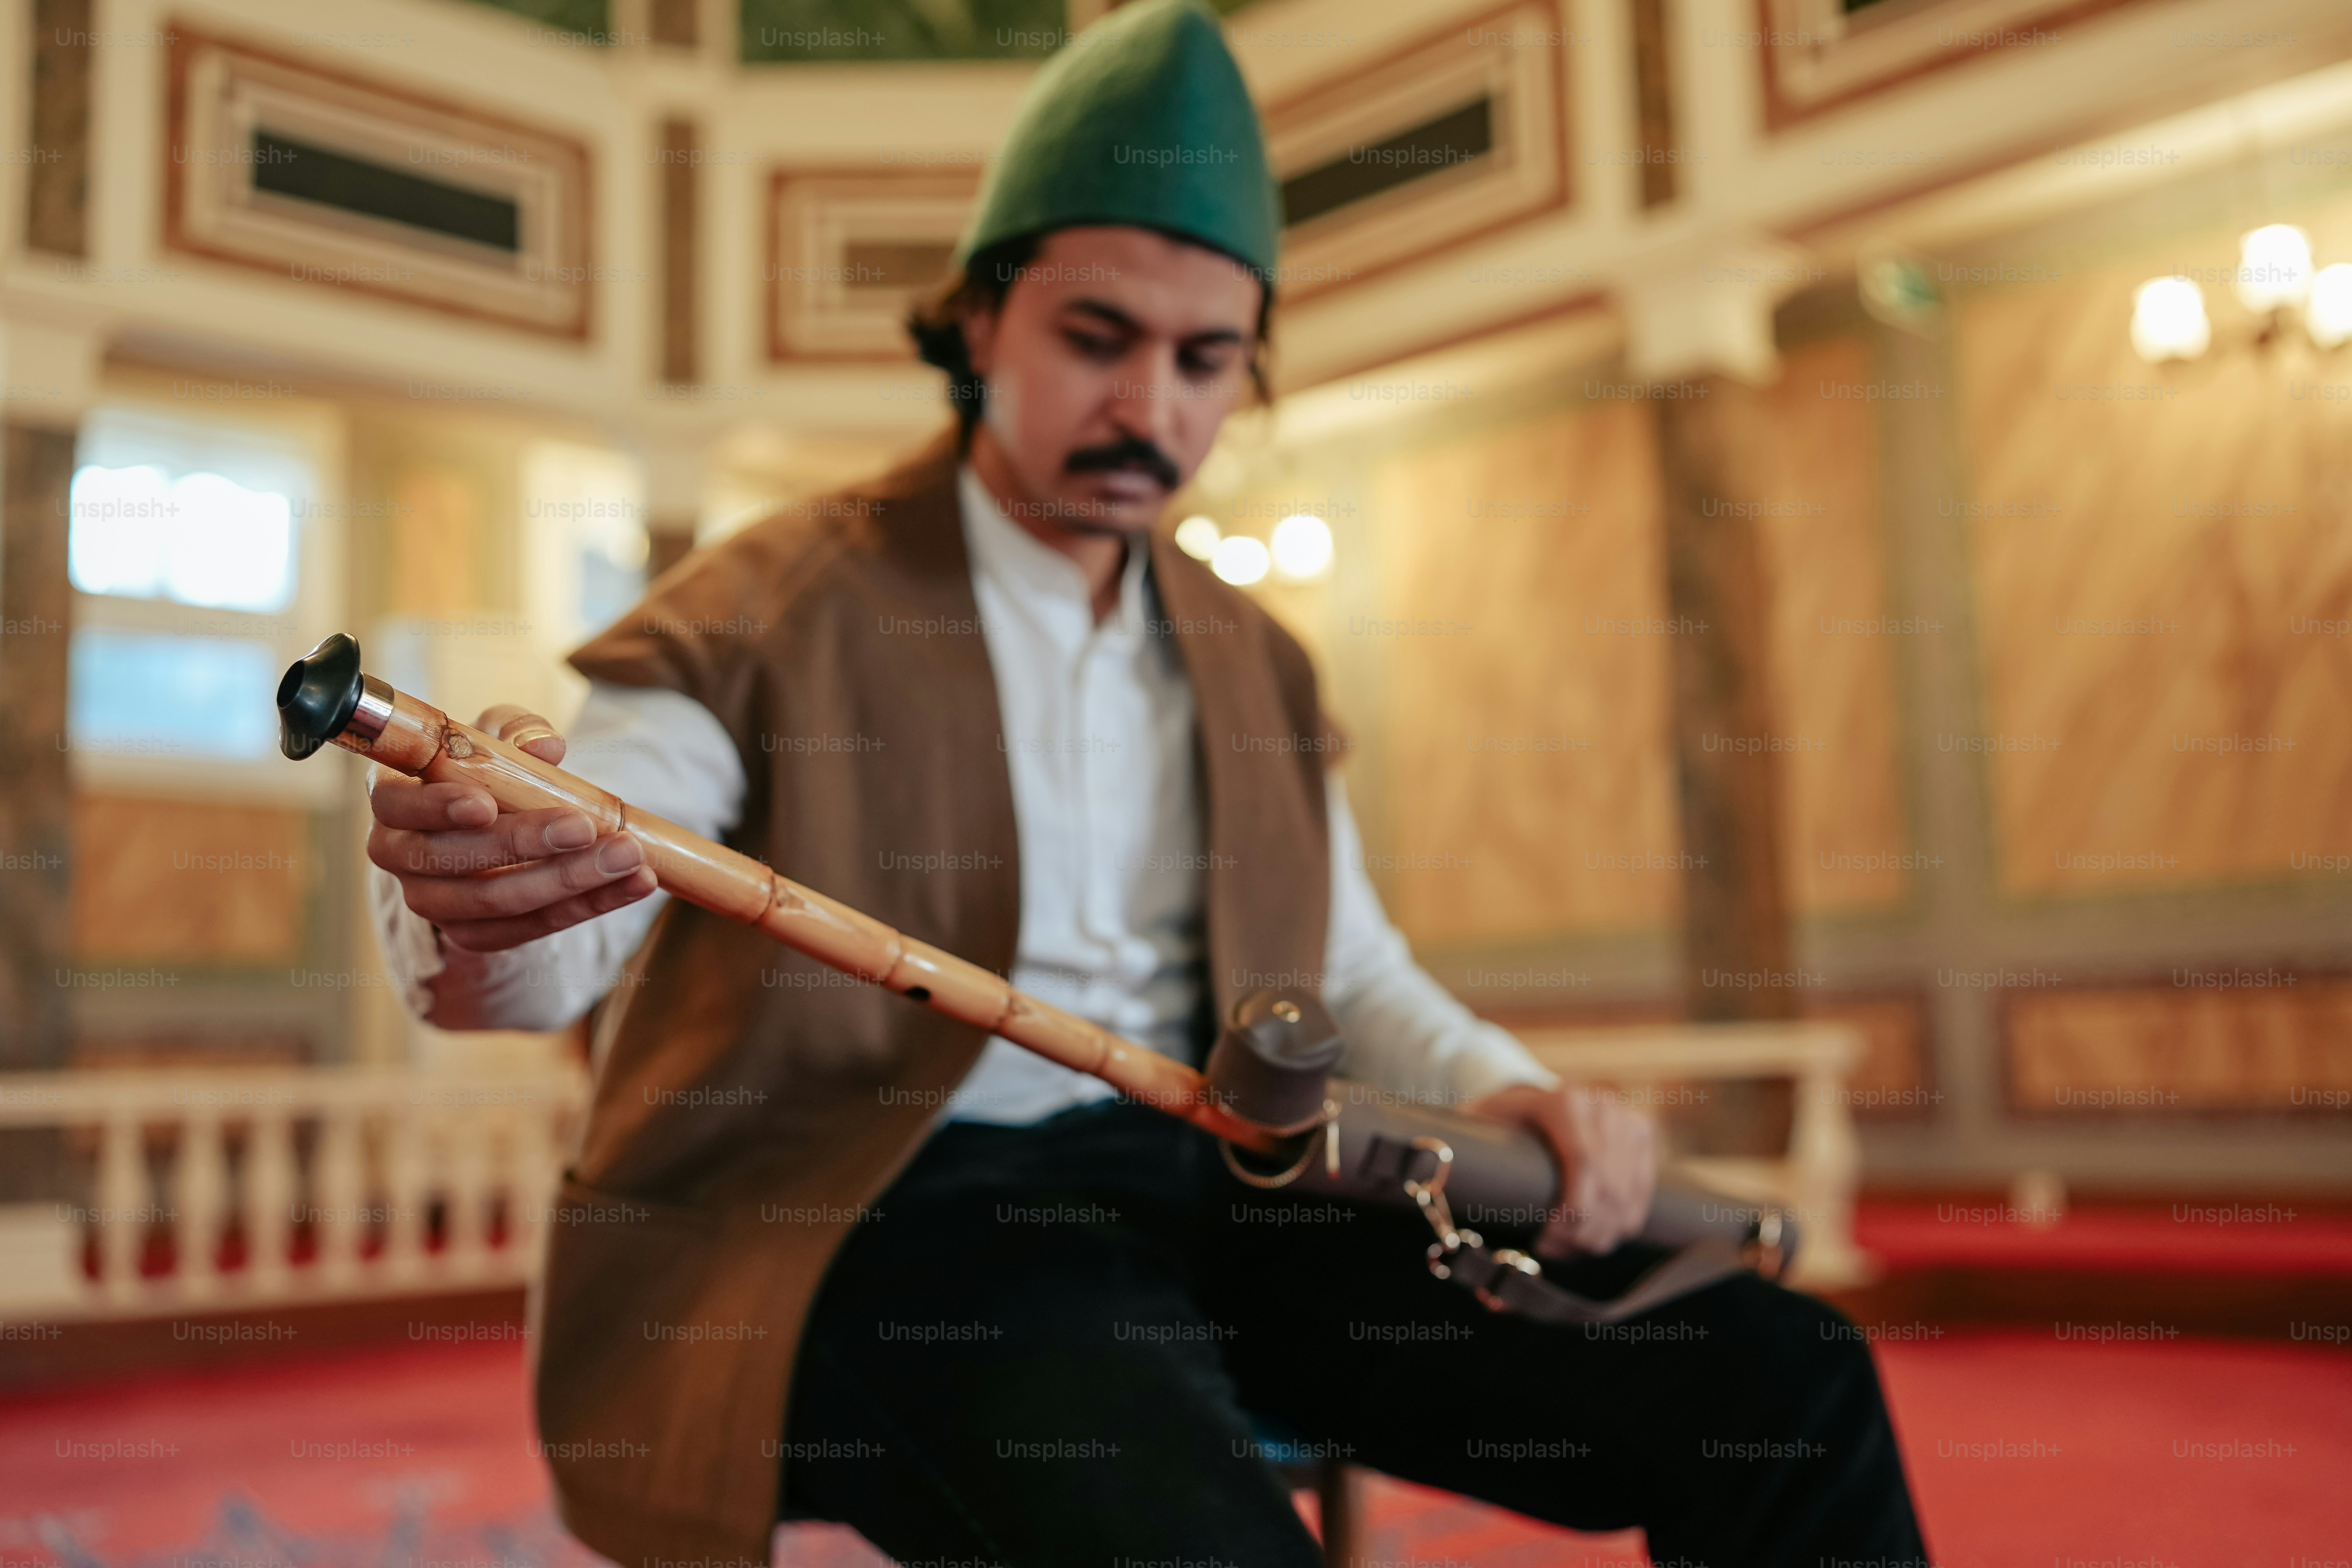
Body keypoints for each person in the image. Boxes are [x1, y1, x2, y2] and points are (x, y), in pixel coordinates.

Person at [365, 3, 1929, 1564]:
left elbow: (1357, 969)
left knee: (1787, 1386)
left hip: (1235, 1182)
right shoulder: (774, 599)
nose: (1151, 409)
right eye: (1095, 340)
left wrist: (1515, 1093)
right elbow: (568, 929)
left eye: (1205, 360)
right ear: (980, 324)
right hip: (887, 1216)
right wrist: (486, 898)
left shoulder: (1260, 659)